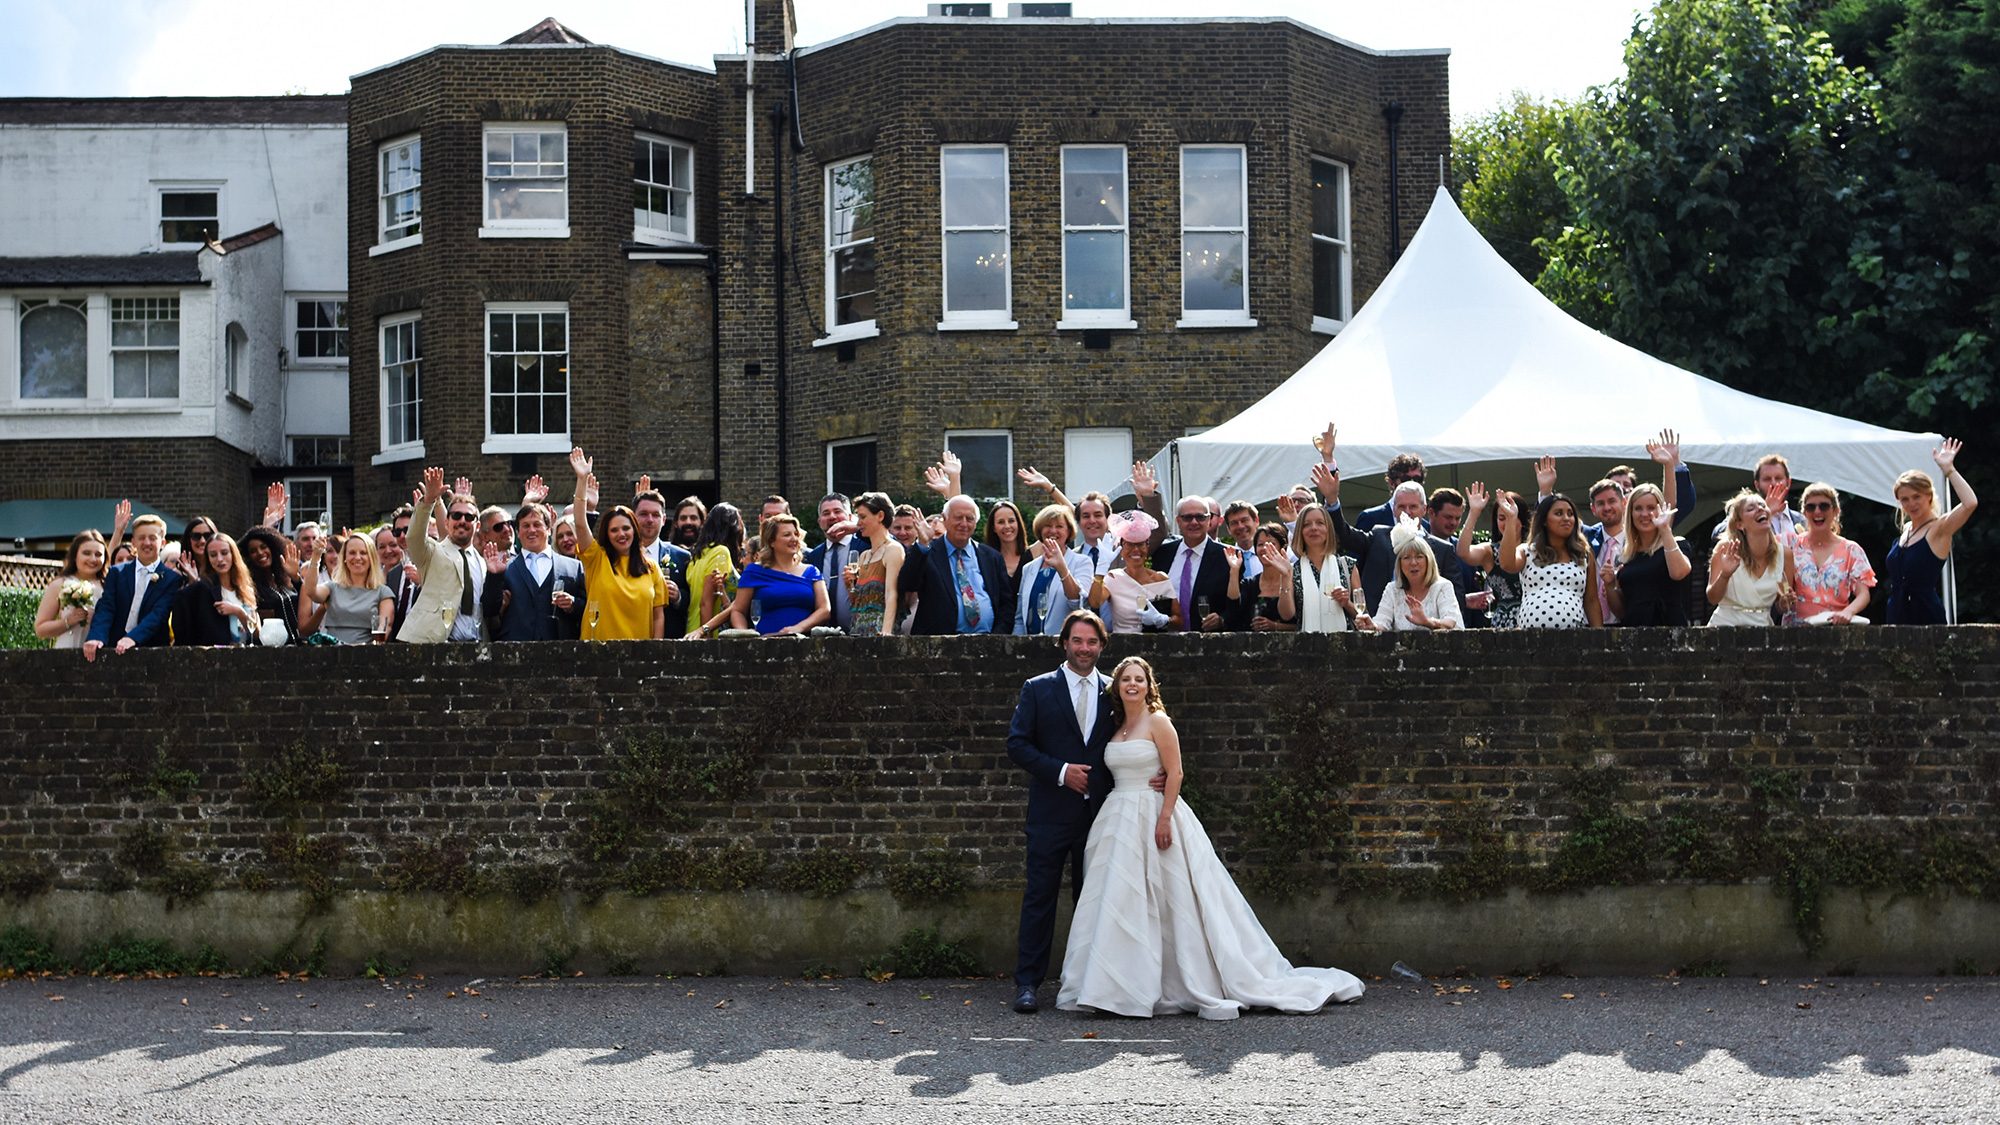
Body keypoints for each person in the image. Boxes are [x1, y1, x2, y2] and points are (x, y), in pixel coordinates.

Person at [1056, 654, 1365, 1018]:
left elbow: (1176, 773)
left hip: (1155, 814)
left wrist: (1165, 817)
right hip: (1117, 819)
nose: (1133, 685)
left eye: (1139, 679)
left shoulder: (1159, 722)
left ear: (1148, 685)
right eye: (1126, 679)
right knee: (1120, 900)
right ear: (1117, 686)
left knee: (1170, 900)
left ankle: (1177, 980)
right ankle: (1114, 985)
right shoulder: (1114, 727)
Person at [1006, 610, 1120, 1013]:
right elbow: (1017, 744)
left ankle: (1094, 984)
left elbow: (1136, 739)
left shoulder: (1116, 691)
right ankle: (1028, 983)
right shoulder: (1037, 689)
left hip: (1101, 816)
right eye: (1077, 641)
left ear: (1102, 646)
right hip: (1050, 813)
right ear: (1064, 643)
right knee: (1040, 897)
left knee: (1096, 901)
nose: (1084, 648)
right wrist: (1060, 772)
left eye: (1092, 642)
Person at [1320, 467, 1465, 619]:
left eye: (1413, 507)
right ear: (1394, 509)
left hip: (1428, 630)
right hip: (1378, 625)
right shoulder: (1378, 536)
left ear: (1424, 509)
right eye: (1401, 507)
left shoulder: (1443, 549)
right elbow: (1345, 535)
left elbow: (1456, 600)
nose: (1407, 512)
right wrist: (1332, 501)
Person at [567, 449, 669, 641]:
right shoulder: (596, 558)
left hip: (639, 657)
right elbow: (580, 523)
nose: (621, 534)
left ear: (635, 531)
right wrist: (582, 480)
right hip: (597, 653)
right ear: (606, 534)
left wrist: (656, 653)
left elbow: (658, 616)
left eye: (626, 528)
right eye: (614, 530)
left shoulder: (652, 568)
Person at [1885, 439, 1978, 625]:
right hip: (1897, 615)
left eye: (1916, 497)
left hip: (1926, 617)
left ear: (1929, 495)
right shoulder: (1907, 531)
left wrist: (1948, 469)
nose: (1911, 504)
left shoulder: (1939, 528)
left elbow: (1970, 503)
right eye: (1905, 499)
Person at [898, 495, 1016, 636]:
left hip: (987, 642)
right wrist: (923, 544)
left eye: (970, 519)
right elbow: (907, 584)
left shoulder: (992, 557)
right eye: (958, 517)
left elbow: (1006, 604)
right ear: (945, 519)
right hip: (941, 643)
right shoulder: (928, 552)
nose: (964, 524)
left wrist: (997, 637)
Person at [1487, 487, 1601, 629]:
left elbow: (1591, 601)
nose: (1566, 518)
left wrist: (1600, 639)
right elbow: (1507, 564)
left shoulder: (1584, 554)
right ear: (1545, 520)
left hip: (1573, 637)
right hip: (1530, 637)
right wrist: (1511, 519)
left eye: (1570, 514)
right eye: (1559, 513)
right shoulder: (1527, 550)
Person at [400, 469, 484, 644]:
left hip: (474, 645)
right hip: (432, 644)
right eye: (456, 515)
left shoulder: (482, 563)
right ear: (446, 522)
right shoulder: (433, 551)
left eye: (469, 517)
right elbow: (414, 538)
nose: (462, 520)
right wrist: (429, 501)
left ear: (477, 525)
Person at [481, 500, 587, 641]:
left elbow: (588, 609)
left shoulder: (573, 567)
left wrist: (573, 604)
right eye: (525, 526)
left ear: (549, 529)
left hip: (561, 650)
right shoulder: (506, 568)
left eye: (537, 524)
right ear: (517, 532)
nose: (531, 530)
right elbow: (489, 610)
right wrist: (494, 575)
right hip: (516, 649)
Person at [84, 513, 183, 661]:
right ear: (133, 542)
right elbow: (106, 607)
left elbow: (159, 614)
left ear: (163, 542)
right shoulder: (117, 572)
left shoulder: (172, 578)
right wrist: (96, 636)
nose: (147, 542)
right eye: (141, 538)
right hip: (114, 649)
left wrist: (133, 638)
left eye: (152, 538)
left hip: (153, 651)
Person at [713, 513, 831, 636]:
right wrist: (746, 634)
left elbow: (824, 609)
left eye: (796, 534)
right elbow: (738, 611)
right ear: (771, 541)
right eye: (787, 535)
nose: (794, 539)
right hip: (765, 644)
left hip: (804, 642)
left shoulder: (812, 572)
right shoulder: (754, 572)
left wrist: (798, 628)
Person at [1783, 482, 1875, 625]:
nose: (1817, 511)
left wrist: (1848, 612)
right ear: (1804, 512)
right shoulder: (1790, 544)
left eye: (1824, 506)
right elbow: (1757, 543)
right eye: (1811, 507)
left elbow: (1863, 593)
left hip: (1835, 626)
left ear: (1836, 511)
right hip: (1796, 629)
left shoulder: (1851, 550)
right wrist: (1770, 510)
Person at [1150, 495, 1244, 632]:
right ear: (1178, 521)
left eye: (1200, 517)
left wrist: (1221, 619)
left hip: (1208, 643)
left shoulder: (1228, 556)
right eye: (1187, 517)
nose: (1194, 522)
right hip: (1165, 640)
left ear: (1209, 520)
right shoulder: (1162, 553)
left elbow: (1239, 605)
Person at [1706, 490, 1797, 627]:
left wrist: (1784, 603)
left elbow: (1782, 601)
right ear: (1740, 524)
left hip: (1763, 631)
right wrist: (1725, 575)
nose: (1760, 509)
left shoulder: (1785, 554)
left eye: (1762, 505)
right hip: (1724, 628)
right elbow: (1713, 598)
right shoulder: (1726, 548)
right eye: (1751, 508)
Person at [1606, 483, 1692, 627]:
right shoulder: (1623, 557)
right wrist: (1609, 585)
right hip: (1634, 632)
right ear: (1631, 513)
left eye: (1651, 508)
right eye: (1638, 508)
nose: (1645, 514)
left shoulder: (1677, 545)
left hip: (1669, 630)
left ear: (1660, 510)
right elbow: (1621, 612)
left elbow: (1679, 573)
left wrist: (1664, 529)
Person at [1271, 503, 1363, 633]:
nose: (1314, 528)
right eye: (1307, 524)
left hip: (1344, 647)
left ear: (1328, 529)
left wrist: (1346, 602)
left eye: (1320, 523)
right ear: (1300, 532)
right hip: (1306, 647)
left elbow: (1362, 616)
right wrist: (1286, 577)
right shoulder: (1291, 570)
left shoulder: (1347, 565)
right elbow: (1286, 615)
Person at [168, 531, 263, 646]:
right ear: (208, 559)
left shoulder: (246, 590)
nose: (219, 559)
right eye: (213, 555)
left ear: (233, 555)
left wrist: (238, 611)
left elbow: (257, 633)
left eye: (224, 553)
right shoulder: (203, 590)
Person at [1363, 519, 1460, 632]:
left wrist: (1427, 622)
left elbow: (1451, 622)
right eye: (1406, 558)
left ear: (1429, 561)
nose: (1413, 563)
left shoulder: (1443, 586)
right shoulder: (1392, 589)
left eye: (1419, 557)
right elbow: (1382, 623)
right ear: (1399, 564)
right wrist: (1372, 626)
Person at [301, 531, 395, 644]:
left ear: (372, 558)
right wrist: (316, 557)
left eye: (363, 553)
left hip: (365, 655)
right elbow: (311, 592)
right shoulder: (333, 587)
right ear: (345, 557)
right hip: (334, 654)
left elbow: (383, 630)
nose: (357, 557)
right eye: (352, 553)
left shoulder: (383, 592)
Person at [1088, 511, 1174, 635]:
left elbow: (1179, 621)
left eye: (1140, 544)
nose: (1135, 550)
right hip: (1123, 646)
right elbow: (1094, 602)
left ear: (1147, 548)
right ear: (1121, 551)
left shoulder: (1161, 579)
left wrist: (1162, 620)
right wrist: (1101, 570)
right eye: (1129, 545)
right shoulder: (1113, 578)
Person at [1015, 504, 1092, 635]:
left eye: (1059, 526)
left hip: (1064, 642)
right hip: (1030, 644)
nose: (1053, 531)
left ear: (1069, 531)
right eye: (1048, 526)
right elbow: (1020, 617)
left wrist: (1061, 567)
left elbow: (1077, 604)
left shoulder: (1082, 562)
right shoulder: (1028, 568)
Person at [1456, 487, 1527, 629]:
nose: (1507, 523)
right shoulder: (1490, 551)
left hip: (1533, 617)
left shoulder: (1535, 549)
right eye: (1502, 518)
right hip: (1503, 623)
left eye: (1512, 516)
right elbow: (1463, 552)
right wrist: (1474, 513)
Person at [840, 491, 904, 637]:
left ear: (880, 516)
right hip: (859, 630)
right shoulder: (863, 556)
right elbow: (858, 602)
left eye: (863, 517)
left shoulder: (893, 549)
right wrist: (849, 586)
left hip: (880, 628)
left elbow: (891, 592)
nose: (858, 523)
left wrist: (886, 631)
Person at [36, 529, 109, 649]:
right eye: (86, 553)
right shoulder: (59, 584)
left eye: (98, 554)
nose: (93, 559)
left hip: (101, 651)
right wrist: (68, 621)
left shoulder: (108, 585)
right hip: (67, 649)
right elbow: (40, 629)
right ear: (75, 556)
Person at [632, 485, 690, 637]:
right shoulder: (619, 555)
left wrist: (679, 597)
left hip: (669, 638)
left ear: (664, 519)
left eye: (655, 515)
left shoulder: (682, 557)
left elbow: (695, 602)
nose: (650, 520)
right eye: (644, 514)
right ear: (633, 517)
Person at [685, 503, 747, 637]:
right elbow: (706, 602)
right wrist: (706, 639)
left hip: (692, 626)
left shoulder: (698, 555)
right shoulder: (720, 553)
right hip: (712, 633)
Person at [239, 525, 301, 645]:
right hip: (270, 650)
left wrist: (296, 578)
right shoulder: (252, 586)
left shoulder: (286, 577)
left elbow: (306, 599)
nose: (260, 553)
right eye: (253, 551)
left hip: (297, 646)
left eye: (263, 547)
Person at [806, 492, 858, 632]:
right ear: (819, 521)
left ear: (850, 517)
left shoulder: (866, 546)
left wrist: (858, 528)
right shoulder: (813, 556)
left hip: (862, 632)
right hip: (824, 635)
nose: (832, 517)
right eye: (826, 513)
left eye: (837, 511)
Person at [1353, 452, 1426, 534]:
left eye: (1417, 479)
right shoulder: (1371, 518)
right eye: (1405, 479)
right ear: (1391, 483)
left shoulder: (1425, 526)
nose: (1411, 483)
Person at [1245, 523, 1295, 631]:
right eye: (1260, 544)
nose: (1265, 548)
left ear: (1282, 548)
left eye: (1271, 543)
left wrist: (1275, 626)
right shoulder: (1249, 584)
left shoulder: (1296, 582)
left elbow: (1303, 624)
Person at [985, 499, 1032, 608]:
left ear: (1018, 523)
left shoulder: (1033, 553)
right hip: (998, 624)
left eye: (1011, 521)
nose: (1007, 526)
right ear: (994, 528)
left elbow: (1070, 517)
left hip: (1027, 623)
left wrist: (1049, 487)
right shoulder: (985, 560)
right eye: (1001, 522)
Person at [375, 525, 419, 640]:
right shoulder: (373, 579)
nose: (388, 551)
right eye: (382, 547)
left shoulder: (419, 572)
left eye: (393, 545)